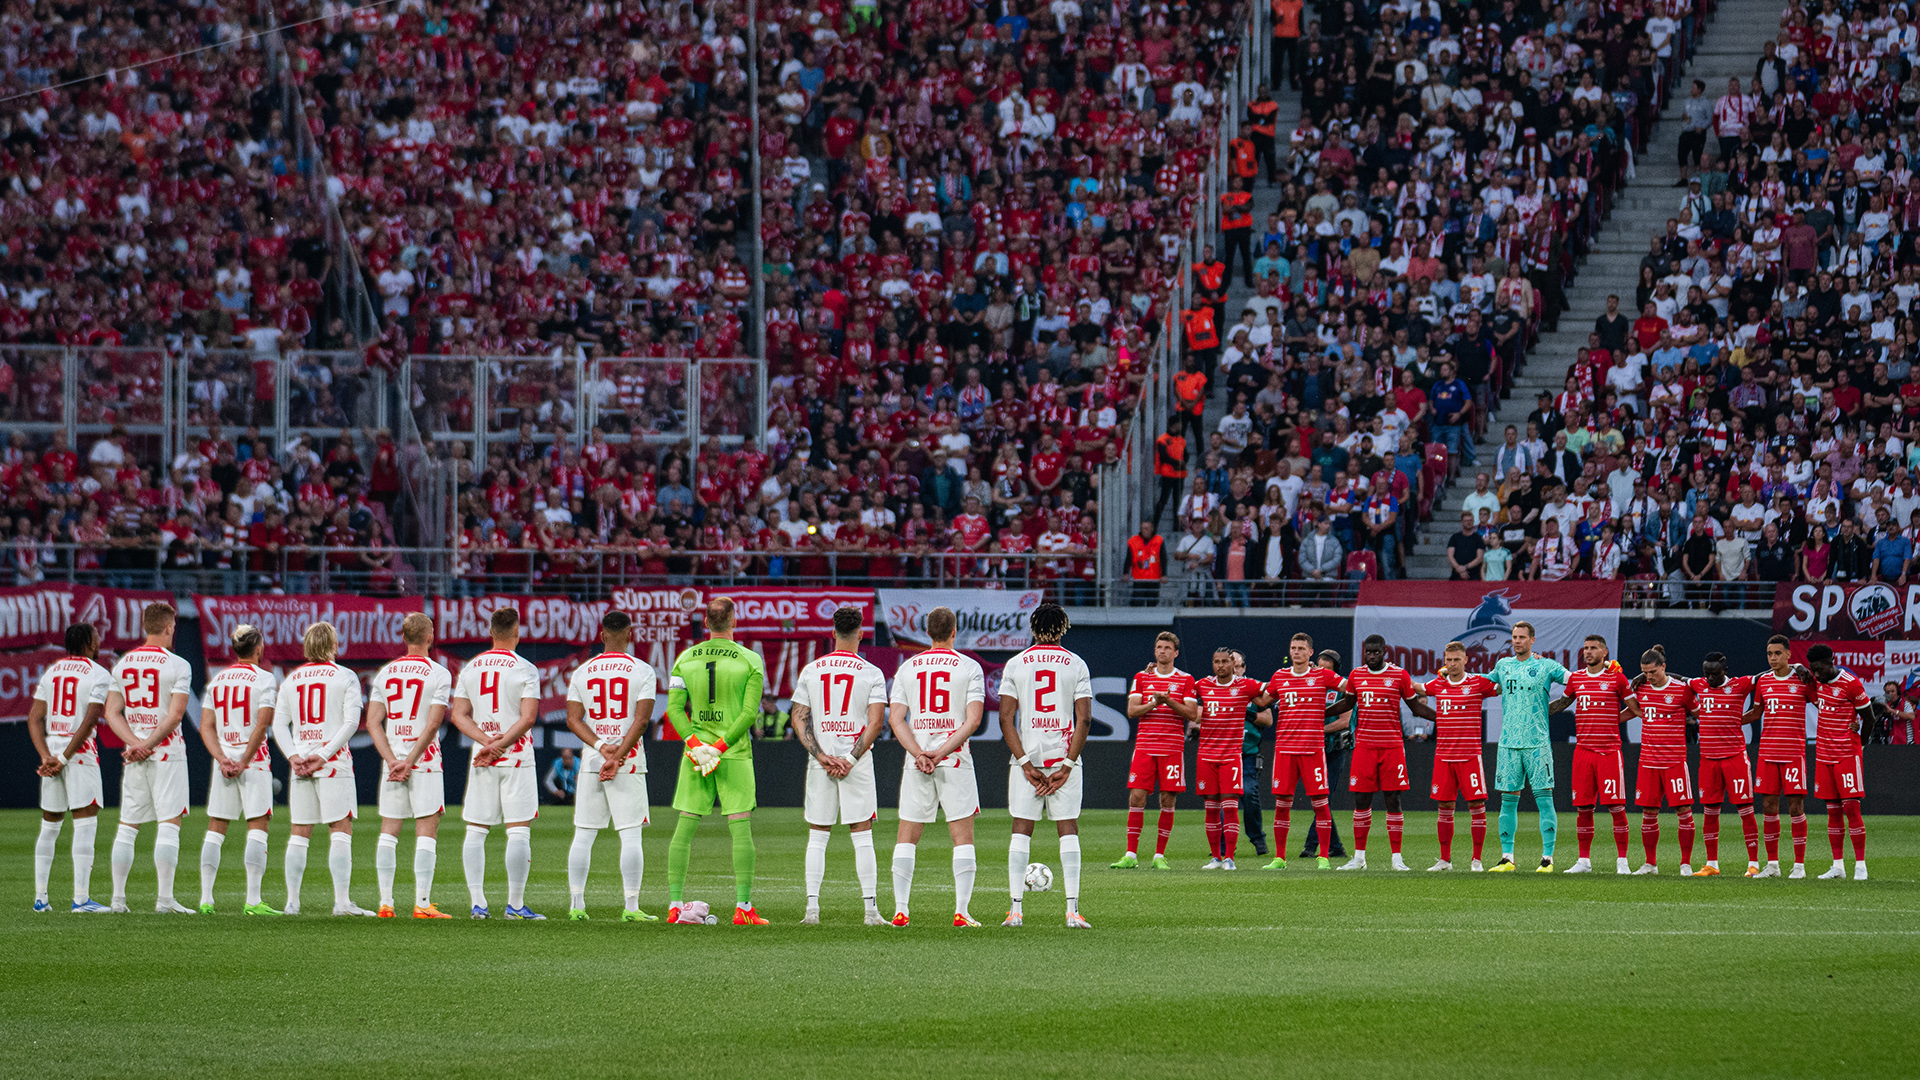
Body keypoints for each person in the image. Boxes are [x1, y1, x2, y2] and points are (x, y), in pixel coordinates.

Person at [665, 597, 769, 925]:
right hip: (733, 753)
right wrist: (720, 747)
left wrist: (698, 745)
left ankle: (674, 905)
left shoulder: (685, 659)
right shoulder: (750, 659)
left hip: (696, 754)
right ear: (734, 621)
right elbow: (749, 713)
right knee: (739, 827)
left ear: (706, 623)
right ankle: (743, 908)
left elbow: (673, 710)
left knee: (684, 827)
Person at [887, 606, 987, 926]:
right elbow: (973, 720)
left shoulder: (909, 667)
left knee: (907, 836)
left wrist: (920, 753)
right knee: (962, 838)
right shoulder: (969, 667)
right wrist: (941, 752)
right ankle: (961, 911)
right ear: (954, 631)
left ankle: (901, 909)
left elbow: (895, 719)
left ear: (927, 632)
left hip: (917, 761)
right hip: (954, 758)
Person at [790, 607, 888, 925]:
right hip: (855, 762)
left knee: (818, 835)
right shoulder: (871, 673)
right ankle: (871, 911)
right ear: (861, 633)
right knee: (862, 834)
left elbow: (799, 717)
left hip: (822, 761)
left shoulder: (811, 670)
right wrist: (849, 759)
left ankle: (812, 911)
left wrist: (820, 755)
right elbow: (875, 723)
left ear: (833, 633)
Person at [999, 602, 1094, 928]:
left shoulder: (1016, 663)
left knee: (1021, 830)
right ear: (1063, 627)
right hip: (1062, 760)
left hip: (1028, 761)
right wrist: (1067, 765)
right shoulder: (1076, 663)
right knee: (1068, 829)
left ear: (1033, 627)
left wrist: (1025, 763)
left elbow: (1006, 718)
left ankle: (1015, 911)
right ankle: (1072, 911)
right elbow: (1085, 718)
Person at [271, 620, 375, 915]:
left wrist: (293, 756)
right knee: (340, 829)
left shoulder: (291, 679)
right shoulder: (345, 676)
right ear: (333, 645)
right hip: (332, 762)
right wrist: (326, 753)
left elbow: (279, 723)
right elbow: (352, 722)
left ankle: (292, 902)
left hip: (302, 762)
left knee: (299, 832)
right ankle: (342, 902)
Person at [561, 610, 658, 922]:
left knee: (584, 834)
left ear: (601, 636)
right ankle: (631, 908)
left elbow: (573, 720)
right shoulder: (643, 671)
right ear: (630, 635)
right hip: (628, 761)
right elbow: (641, 721)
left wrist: (603, 748)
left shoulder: (582, 672)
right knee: (630, 834)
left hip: (593, 760)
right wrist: (617, 756)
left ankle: (577, 905)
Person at [449, 608, 544, 919]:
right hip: (515, 756)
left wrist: (486, 742)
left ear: (491, 633)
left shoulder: (471, 668)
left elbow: (459, 715)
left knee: (476, 829)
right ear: (516, 633)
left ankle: (478, 904)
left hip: (482, 758)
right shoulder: (526, 669)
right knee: (518, 831)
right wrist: (501, 744)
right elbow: (528, 718)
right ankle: (515, 906)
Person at [103, 602, 195, 913]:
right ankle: (165, 900)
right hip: (166, 751)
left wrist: (134, 743)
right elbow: (176, 714)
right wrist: (149, 744)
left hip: (134, 754)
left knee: (128, 825)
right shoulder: (178, 665)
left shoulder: (123, 663)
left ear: (145, 626)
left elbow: (111, 713)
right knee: (169, 824)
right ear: (169, 627)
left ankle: (118, 900)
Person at [366, 614, 455, 918]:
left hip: (393, 764)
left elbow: (372, 722)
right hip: (424, 762)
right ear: (430, 637)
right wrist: (410, 761)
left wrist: (392, 760)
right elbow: (432, 726)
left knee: (389, 830)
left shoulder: (385, 673)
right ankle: (422, 902)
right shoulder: (439, 674)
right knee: (426, 830)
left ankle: (386, 902)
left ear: (403, 638)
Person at [1326, 635, 1434, 871]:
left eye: (1376, 652)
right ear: (1364, 653)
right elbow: (1346, 704)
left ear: (1385, 652)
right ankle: (1359, 859)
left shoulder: (1399, 675)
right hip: (1364, 746)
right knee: (1361, 800)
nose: (1372, 656)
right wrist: (1320, 713)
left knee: (1393, 799)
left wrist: (1443, 718)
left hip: (1392, 747)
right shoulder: (1357, 675)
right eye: (1368, 652)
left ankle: (1397, 858)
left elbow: (1415, 707)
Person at [26, 623, 113, 913]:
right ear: (88, 643)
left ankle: (41, 899)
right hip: (78, 755)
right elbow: (90, 720)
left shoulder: (53, 671)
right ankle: (81, 899)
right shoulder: (99, 674)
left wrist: (46, 757)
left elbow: (34, 718)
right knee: (85, 823)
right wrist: (63, 758)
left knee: (49, 827)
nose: (100, 640)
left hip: (52, 754)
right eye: (97, 637)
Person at [196, 625, 278, 914]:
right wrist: (244, 760)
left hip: (224, 762)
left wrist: (222, 759)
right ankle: (253, 901)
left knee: (216, 829)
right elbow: (262, 724)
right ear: (257, 649)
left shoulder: (217, 681)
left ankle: (206, 899)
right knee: (257, 827)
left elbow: (206, 726)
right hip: (252, 761)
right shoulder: (265, 679)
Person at [1251, 632, 1345, 869]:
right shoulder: (1280, 676)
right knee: (1282, 803)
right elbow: (1263, 701)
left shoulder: (1322, 675)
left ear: (1311, 652)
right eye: (1293, 648)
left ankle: (1323, 856)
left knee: (1320, 803)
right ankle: (1279, 858)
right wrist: (1238, 686)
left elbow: (1349, 686)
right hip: (1285, 750)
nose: (1296, 652)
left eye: (1301, 648)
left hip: (1312, 750)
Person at [1112, 631, 1199, 869]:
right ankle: (1130, 854)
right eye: (1159, 647)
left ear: (1176, 653)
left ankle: (1159, 855)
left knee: (1167, 798)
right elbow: (1131, 710)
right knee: (1136, 796)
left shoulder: (1185, 680)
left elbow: (1192, 714)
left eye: (1167, 648)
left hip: (1171, 748)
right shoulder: (1142, 677)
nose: (1162, 651)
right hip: (1145, 746)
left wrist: (1168, 701)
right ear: (1155, 650)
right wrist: (1154, 702)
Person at [1551, 636, 1636, 874]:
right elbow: (1562, 703)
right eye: (1586, 648)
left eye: (1593, 648)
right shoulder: (1577, 678)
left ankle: (1622, 862)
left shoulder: (1616, 678)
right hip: (1583, 752)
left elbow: (1635, 708)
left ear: (1604, 652)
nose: (1588, 652)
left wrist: (1613, 719)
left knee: (1616, 807)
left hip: (1608, 751)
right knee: (1584, 808)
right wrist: (1537, 711)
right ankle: (1584, 861)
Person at [1488, 621, 1569, 871]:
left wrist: (1559, 704)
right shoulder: (1503, 666)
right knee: (1507, 801)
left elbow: (1575, 681)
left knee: (1544, 800)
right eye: (1514, 637)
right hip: (1509, 744)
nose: (1517, 641)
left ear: (1532, 639)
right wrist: (1452, 676)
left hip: (1537, 743)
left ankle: (1547, 859)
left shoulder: (1545, 666)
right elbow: (1481, 685)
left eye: (1522, 637)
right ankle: (1507, 858)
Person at [1423, 642, 1496, 871]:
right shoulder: (1438, 684)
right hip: (1443, 757)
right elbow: (1417, 688)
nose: (1452, 664)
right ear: (1444, 661)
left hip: (1470, 756)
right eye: (1448, 660)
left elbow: (1502, 686)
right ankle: (1445, 860)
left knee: (1476, 805)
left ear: (1466, 660)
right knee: (1444, 806)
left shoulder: (1477, 684)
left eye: (1456, 660)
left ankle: (1476, 860)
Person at [1805, 644, 1873, 880]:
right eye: (1812, 670)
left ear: (1831, 662)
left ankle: (1861, 866)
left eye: (1819, 669)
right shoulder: (1817, 682)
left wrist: (1861, 744)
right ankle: (1838, 866)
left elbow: (1869, 716)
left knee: (1851, 808)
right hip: (1824, 755)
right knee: (1832, 811)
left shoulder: (1850, 683)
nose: (1816, 674)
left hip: (1846, 754)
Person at [1625, 647, 1695, 874]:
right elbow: (1633, 711)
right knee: (1648, 813)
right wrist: (1606, 721)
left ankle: (1685, 863)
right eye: (1644, 672)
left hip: (1674, 761)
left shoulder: (1681, 690)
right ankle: (1650, 863)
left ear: (1664, 667)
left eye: (1653, 671)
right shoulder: (1642, 688)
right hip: (1648, 762)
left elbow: (1700, 713)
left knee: (1683, 811)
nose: (1649, 677)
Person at [1690, 652, 1760, 877]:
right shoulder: (1699, 685)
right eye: (1706, 673)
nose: (1709, 678)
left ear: (1725, 671)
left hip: (1734, 758)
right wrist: (1643, 675)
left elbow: (1764, 677)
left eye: (1714, 673)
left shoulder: (1740, 685)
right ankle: (1712, 864)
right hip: (1708, 760)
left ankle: (1754, 863)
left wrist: (1796, 666)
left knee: (1745, 810)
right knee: (1710, 811)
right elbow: (1677, 679)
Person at [1748, 636, 1812, 878]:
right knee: (1768, 807)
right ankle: (1772, 865)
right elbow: (1755, 713)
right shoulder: (1763, 682)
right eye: (1769, 654)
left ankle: (1799, 866)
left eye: (1777, 653)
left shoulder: (1802, 679)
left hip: (1794, 753)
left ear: (1788, 654)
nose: (1773, 658)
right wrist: (1727, 720)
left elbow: (1822, 702)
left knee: (1795, 807)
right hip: (1768, 753)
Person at [1194, 648, 1262, 869]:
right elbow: (1181, 692)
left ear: (1234, 664)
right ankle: (1215, 857)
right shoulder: (1203, 684)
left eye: (1225, 661)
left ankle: (1230, 858)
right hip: (1206, 756)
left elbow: (1271, 691)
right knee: (1211, 808)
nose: (1220, 665)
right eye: (1216, 661)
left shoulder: (1244, 686)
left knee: (1230, 807)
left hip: (1232, 755)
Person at [1300, 649, 1352, 861]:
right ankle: (1337, 846)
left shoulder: (1342, 688)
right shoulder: (1308, 684)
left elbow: (1344, 721)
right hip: (1313, 749)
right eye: (1320, 668)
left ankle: (1310, 845)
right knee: (1320, 800)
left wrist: (1316, 729)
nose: (1323, 672)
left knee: (1324, 797)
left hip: (1334, 749)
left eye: (1328, 670)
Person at [1235, 650, 1275, 857]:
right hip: (1222, 752)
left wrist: (1245, 711)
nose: (1234, 669)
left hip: (1247, 752)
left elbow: (1268, 719)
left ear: (1244, 668)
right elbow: (1196, 715)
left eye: (1237, 665)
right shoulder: (1215, 686)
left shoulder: (1254, 688)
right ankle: (1222, 844)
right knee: (1221, 799)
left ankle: (1257, 837)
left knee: (1249, 794)